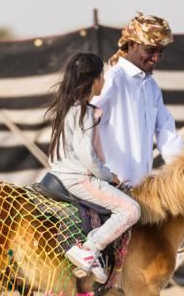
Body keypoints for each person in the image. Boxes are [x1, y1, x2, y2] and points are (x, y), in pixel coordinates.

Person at [39, 13, 182, 296]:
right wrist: (97, 174)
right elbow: (82, 114)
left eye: (161, 51)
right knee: (115, 276)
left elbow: (166, 132)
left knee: (141, 278)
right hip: (108, 192)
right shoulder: (112, 78)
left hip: (143, 193)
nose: (156, 57)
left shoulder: (151, 86)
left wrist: (181, 175)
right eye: (151, 50)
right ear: (131, 45)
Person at [45, 52, 142, 284]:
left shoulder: (67, 108)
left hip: (60, 173)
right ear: (93, 81)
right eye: (101, 76)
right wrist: (110, 177)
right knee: (131, 210)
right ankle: (90, 247)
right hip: (78, 178)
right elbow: (87, 156)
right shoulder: (83, 112)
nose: (104, 81)